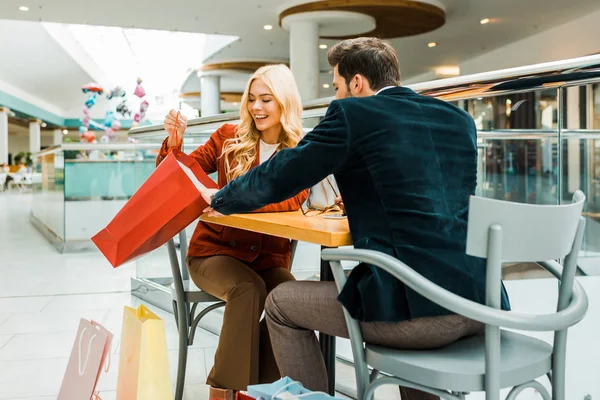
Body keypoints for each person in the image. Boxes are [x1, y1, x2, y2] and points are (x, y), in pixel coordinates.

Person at [200, 38, 511, 400]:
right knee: (403, 291)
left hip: (419, 315)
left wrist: (223, 197)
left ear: (358, 83)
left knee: (280, 304)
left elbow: (286, 171)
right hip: (480, 303)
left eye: (336, 87)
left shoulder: (353, 114)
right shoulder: (458, 119)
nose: (337, 96)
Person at [159, 64, 308, 400]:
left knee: (291, 299)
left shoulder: (299, 152)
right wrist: (174, 144)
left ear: (285, 102)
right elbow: (176, 181)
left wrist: (232, 200)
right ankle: (224, 391)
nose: (256, 107)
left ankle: (261, 391)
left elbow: (292, 199)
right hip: (213, 254)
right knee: (248, 288)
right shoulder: (228, 137)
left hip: (268, 259)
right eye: (252, 99)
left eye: (266, 100)